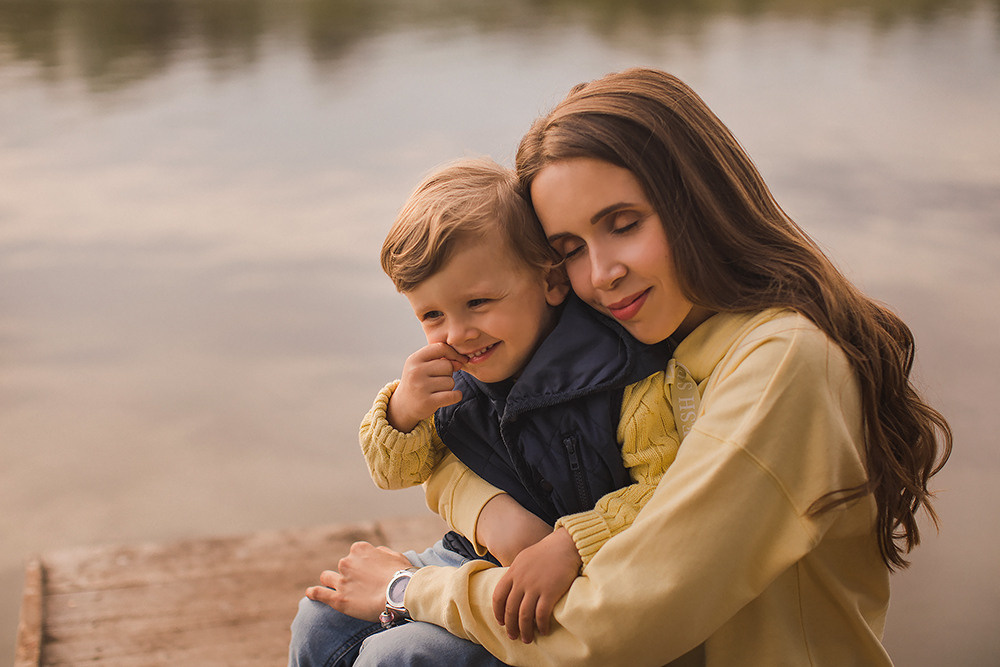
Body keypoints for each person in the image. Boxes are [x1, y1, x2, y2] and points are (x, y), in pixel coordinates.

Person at [305, 67, 953, 666]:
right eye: (570, 248)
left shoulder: (781, 361)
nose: (601, 274)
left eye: (623, 223)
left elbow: (613, 623)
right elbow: (465, 438)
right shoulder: (642, 323)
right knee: (325, 625)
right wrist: (484, 507)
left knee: (404, 658)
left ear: (698, 197)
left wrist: (407, 588)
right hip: (583, 612)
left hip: (628, 638)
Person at [289, 157, 678, 666]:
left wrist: (571, 544)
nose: (458, 333)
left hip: (555, 591)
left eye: (478, 303)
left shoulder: (620, 374)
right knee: (320, 618)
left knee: (402, 657)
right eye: (432, 314)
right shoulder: (454, 377)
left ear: (551, 281)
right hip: (468, 558)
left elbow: (663, 493)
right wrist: (403, 411)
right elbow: (393, 472)